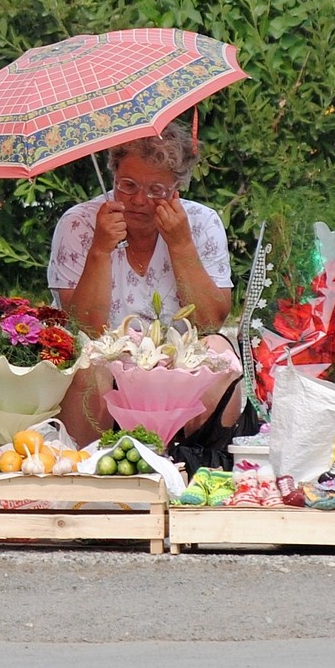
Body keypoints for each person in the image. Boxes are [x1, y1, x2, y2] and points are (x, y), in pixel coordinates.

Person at [48, 122, 246, 467]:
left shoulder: (202, 223)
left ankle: (203, 461)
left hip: (178, 365)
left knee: (219, 353)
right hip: (107, 356)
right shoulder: (78, 223)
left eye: (156, 189)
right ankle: (88, 466)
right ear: (113, 174)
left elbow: (209, 321)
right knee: (88, 360)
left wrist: (181, 244)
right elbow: (84, 324)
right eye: (127, 186)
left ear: (177, 188)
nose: (139, 201)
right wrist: (100, 249)